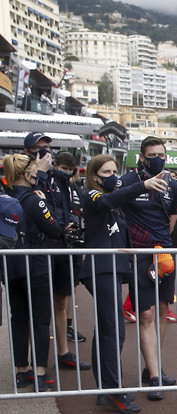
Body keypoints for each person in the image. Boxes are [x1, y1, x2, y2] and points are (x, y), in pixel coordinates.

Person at [79, 154, 166, 413]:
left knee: (108, 328)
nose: (113, 177)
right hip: (100, 268)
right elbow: (107, 199)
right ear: (95, 176)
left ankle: (106, 389)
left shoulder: (113, 205)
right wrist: (143, 185)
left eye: (115, 171)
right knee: (113, 329)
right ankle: (112, 391)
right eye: (106, 172)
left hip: (113, 269)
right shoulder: (93, 196)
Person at [118, 136, 177, 400]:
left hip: (164, 254)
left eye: (161, 154)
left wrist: (162, 245)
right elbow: (112, 203)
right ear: (142, 157)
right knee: (146, 315)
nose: (158, 159)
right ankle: (155, 378)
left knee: (163, 310)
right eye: (152, 155)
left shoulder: (173, 184)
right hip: (139, 257)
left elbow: (173, 218)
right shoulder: (128, 181)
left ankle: (151, 368)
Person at [24, 133, 91, 370]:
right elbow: (30, 199)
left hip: (62, 245)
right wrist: (40, 172)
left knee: (61, 300)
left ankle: (63, 353)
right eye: (39, 148)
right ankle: (35, 363)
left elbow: (69, 205)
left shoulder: (59, 178)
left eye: (48, 147)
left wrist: (71, 223)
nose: (45, 152)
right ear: (28, 151)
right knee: (39, 307)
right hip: (38, 248)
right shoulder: (26, 172)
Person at [3, 154, 62, 392]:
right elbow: (55, 228)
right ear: (27, 174)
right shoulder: (34, 200)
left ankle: (21, 372)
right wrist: (45, 201)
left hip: (9, 264)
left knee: (18, 318)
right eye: (33, 170)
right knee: (40, 319)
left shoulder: (4, 198)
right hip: (35, 264)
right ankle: (39, 374)